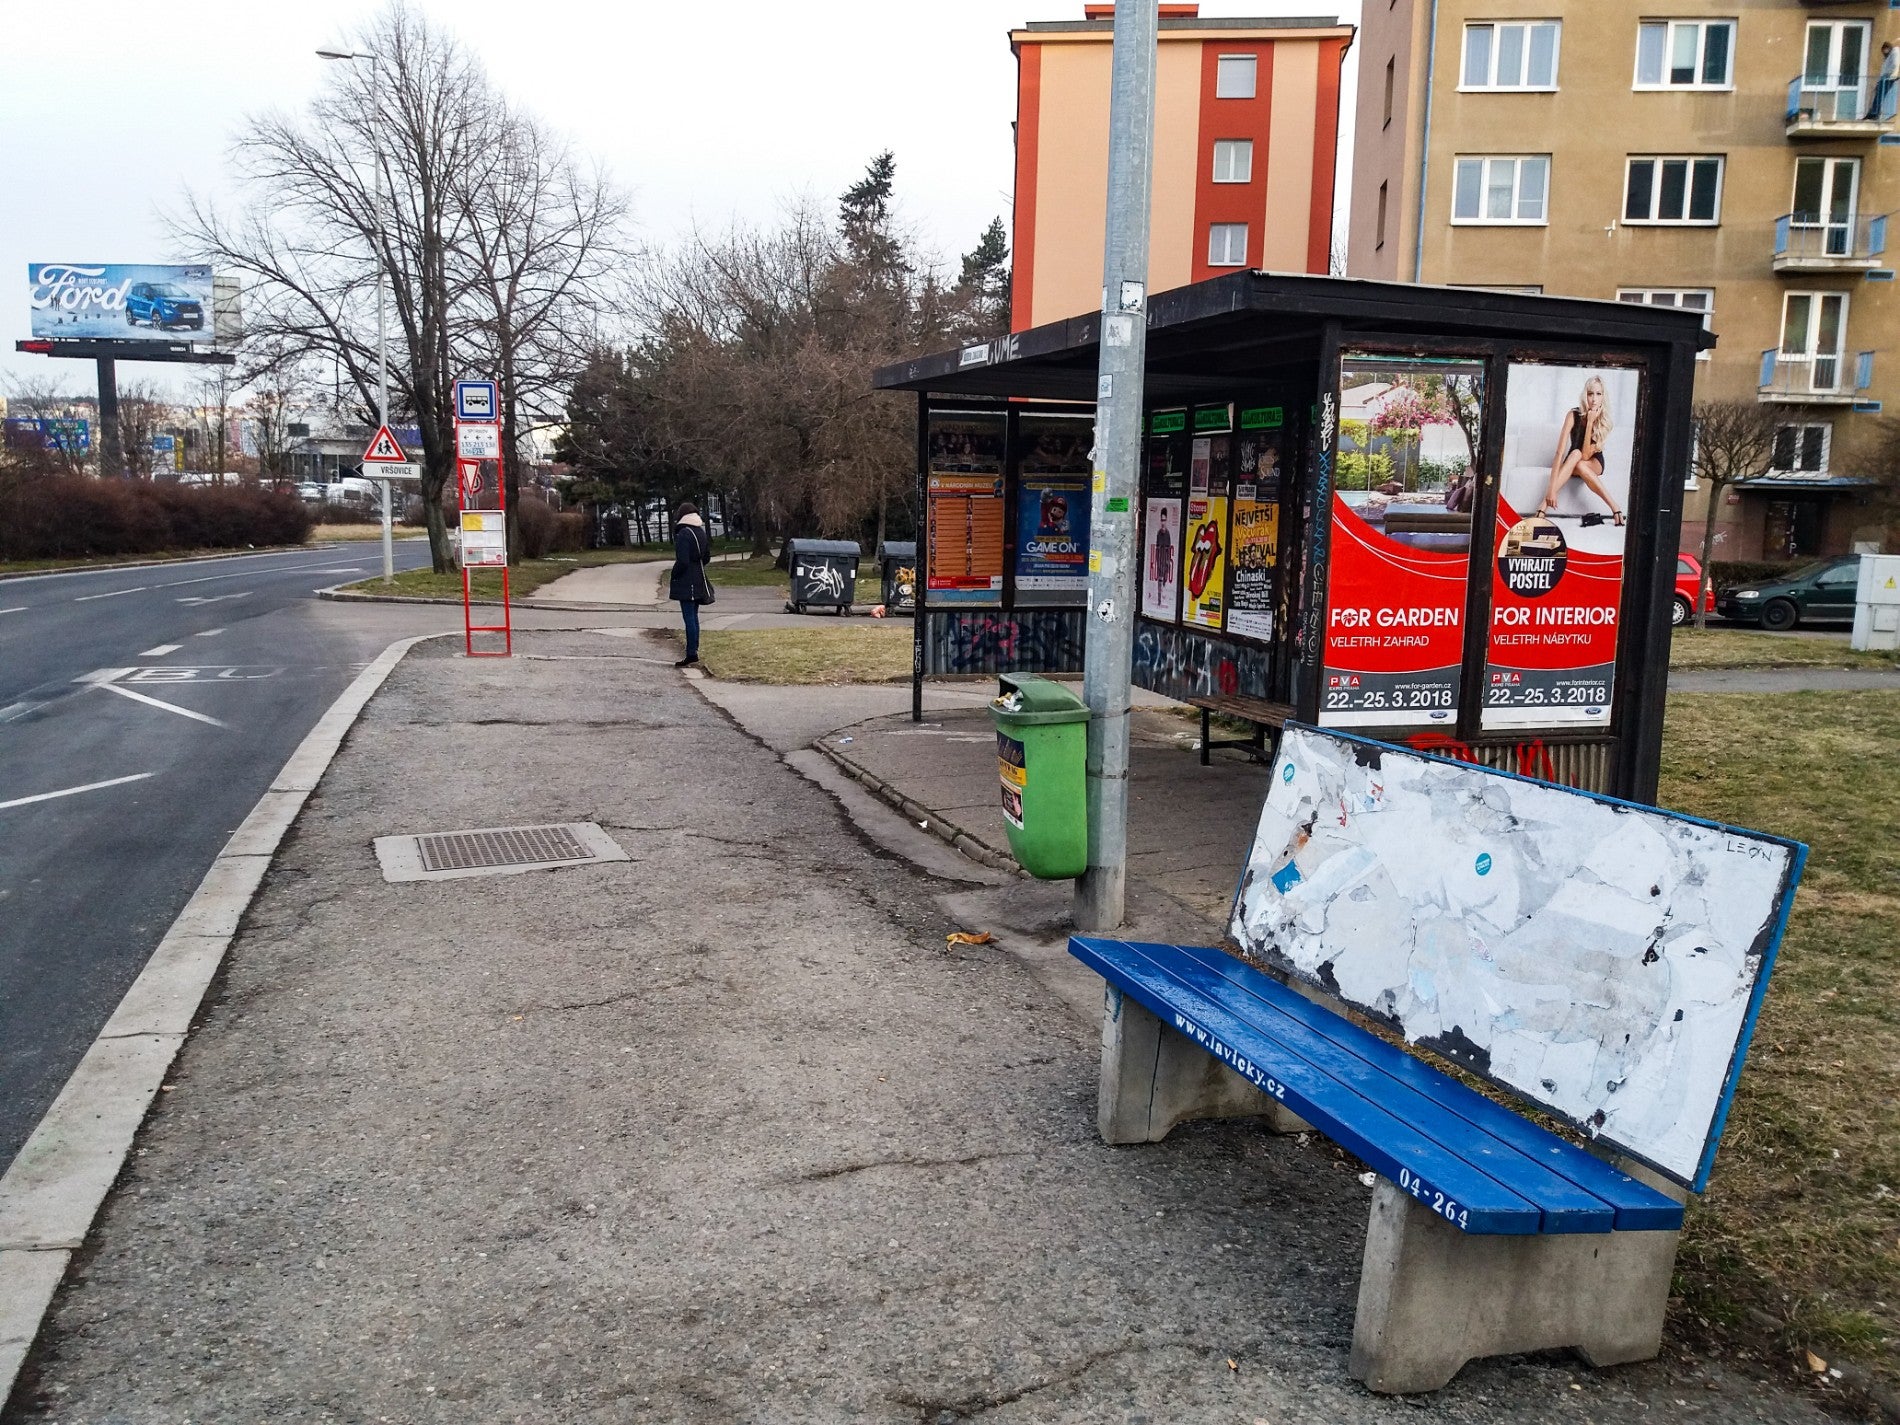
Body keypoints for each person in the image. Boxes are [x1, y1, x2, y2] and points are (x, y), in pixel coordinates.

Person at [1539, 375, 1624, 525]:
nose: (1594, 399)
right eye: (1590, 394)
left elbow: (1585, 456)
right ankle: (1543, 505)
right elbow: (1559, 452)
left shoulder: (1604, 421)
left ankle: (1614, 506)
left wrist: (1590, 422)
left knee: (1579, 458)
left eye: (1598, 394)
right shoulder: (1573, 415)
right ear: (1585, 395)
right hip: (1573, 459)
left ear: (1603, 397)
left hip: (1594, 462)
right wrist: (1551, 490)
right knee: (1575, 454)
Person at [669, 501, 711, 667]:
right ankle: (693, 650)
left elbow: (682, 561)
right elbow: (706, 557)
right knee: (694, 616)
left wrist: (674, 574)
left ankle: (691, 653)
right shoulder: (700, 532)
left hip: (687, 580)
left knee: (689, 618)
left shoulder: (684, 534)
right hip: (699, 577)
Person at [1870, 42, 1898, 121]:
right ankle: (1874, 112)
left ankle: (1876, 113)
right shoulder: (1887, 57)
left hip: (1888, 78)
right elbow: (1883, 70)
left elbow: (1895, 65)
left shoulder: (1895, 52)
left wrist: (1890, 75)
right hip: (1884, 78)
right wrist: (1879, 82)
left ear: (1888, 48)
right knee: (1878, 96)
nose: (1884, 52)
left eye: (1885, 50)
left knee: (1880, 96)